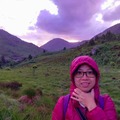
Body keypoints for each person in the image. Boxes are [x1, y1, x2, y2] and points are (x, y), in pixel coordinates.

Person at [52, 55, 117, 120]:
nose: (85, 78)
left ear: (96, 76)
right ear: (73, 77)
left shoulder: (106, 102)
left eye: (90, 72)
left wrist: (92, 106)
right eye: (79, 73)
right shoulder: (63, 103)